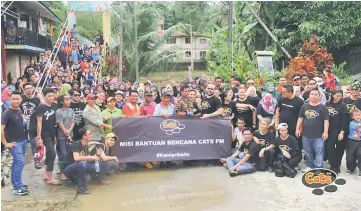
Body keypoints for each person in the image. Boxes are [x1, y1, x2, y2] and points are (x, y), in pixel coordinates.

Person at [62, 128, 109, 194]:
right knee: (81, 164)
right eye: (89, 134)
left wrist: (97, 155)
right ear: (84, 136)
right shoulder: (76, 144)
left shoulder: (86, 145)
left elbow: (87, 158)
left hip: (80, 166)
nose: (91, 135)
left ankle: (96, 179)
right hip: (68, 168)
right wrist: (91, 157)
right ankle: (82, 187)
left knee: (103, 164)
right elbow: (76, 158)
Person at [1, 91, 29, 195]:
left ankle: (18, 184)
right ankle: (17, 188)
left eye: (18, 99)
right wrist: (5, 143)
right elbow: (1, 130)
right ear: (9, 99)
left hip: (23, 140)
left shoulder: (18, 110)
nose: (16, 101)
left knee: (17, 164)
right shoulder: (7, 113)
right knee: (19, 163)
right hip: (14, 143)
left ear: (21, 99)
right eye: (13, 99)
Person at [296, 89, 329, 172]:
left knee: (319, 153)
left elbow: (326, 121)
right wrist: (298, 128)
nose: (313, 96)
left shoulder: (323, 107)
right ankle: (310, 166)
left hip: (319, 135)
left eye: (316, 94)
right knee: (307, 152)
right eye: (312, 94)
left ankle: (318, 168)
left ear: (319, 96)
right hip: (306, 135)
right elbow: (300, 118)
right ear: (309, 96)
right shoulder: (304, 106)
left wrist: (325, 132)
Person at [34, 88, 60, 185]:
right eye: (48, 96)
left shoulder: (54, 106)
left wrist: (55, 135)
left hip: (52, 132)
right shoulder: (41, 107)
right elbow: (39, 122)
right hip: (44, 133)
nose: (50, 97)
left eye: (52, 95)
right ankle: (50, 178)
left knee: (50, 153)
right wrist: (39, 137)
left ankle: (46, 174)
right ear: (44, 96)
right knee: (52, 154)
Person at [325, 89, 348, 173]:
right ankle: (332, 163)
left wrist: (342, 132)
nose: (339, 97)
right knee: (329, 148)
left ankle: (337, 166)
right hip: (329, 129)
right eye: (337, 95)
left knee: (339, 149)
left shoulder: (343, 106)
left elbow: (344, 120)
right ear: (332, 95)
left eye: (340, 96)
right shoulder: (327, 104)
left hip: (338, 130)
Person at [153, 91, 176, 168]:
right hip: (160, 128)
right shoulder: (158, 106)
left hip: (170, 128)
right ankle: (162, 161)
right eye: (164, 97)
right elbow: (154, 116)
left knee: (170, 144)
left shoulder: (172, 106)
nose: (166, 99)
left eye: (168, 98)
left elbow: (174, 116)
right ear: (161, 98)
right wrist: (161, 115)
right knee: (162, 144)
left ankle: (169, 161)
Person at [55, 94, 75, 181]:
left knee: (69, 154)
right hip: (61, 136)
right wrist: (66, 132)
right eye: (66, 100)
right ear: (62, 102)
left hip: (70, 135)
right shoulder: (58, 111)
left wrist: (69, 131)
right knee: (63, 154)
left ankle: (68, 170)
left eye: (69, 99)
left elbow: (73, 122)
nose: (69, 101)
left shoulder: (71, 110)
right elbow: (60, 123)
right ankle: (63, 172)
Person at [21, 83, 40, 155]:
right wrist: (22, 115)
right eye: (26, 88)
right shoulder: (21, 98)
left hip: (33, 120)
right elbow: (17, 108)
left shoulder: (37, 99)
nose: (28, 90)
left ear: (33, 89)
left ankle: (35, 154)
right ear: (24, 90)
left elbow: (39, 111)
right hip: (23, 120)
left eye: (30, 88)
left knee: (33, 137)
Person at [345, 108, 361, 176]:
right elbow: (357, 128)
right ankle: (350, 168)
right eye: (356, 115)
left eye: (359, 115)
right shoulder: (352, 123)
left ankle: (360, 169)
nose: (358, 116)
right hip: (351, 141)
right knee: (350, 156)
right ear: (352, 117)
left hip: (360, 142)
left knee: (360, 154)